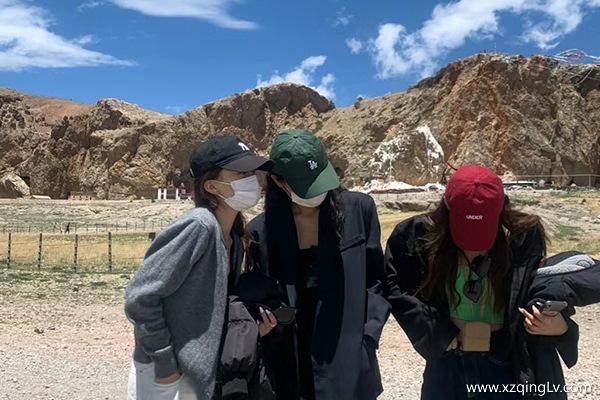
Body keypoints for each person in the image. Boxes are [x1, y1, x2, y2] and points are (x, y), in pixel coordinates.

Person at [384, 165, 579, 400]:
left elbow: (543, 290)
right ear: (447, 208)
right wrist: (432, 330)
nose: (473, 245)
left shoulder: (523, 237)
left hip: (507, 363)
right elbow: (396, 287)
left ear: (502, 209)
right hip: (448, 363)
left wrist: (560, 327)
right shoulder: (416, 236)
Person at [125, 136, 277, 400]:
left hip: (199, 376)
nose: (252, 179)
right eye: (241, 172)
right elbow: (140, 297)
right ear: (212, 186)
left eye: (252, 172)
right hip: (167, 376)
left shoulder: (234, 237)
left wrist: (251, 327)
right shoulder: (199, 226)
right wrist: (165, 363)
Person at [247, 129, 390, 400]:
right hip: (289, 359)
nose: (318, 192)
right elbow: (256, 295)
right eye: (307, 185)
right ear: (278, 181)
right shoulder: (260, 232)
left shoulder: (359, 210)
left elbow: (377, 280)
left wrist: (368, 336)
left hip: (348, 354)